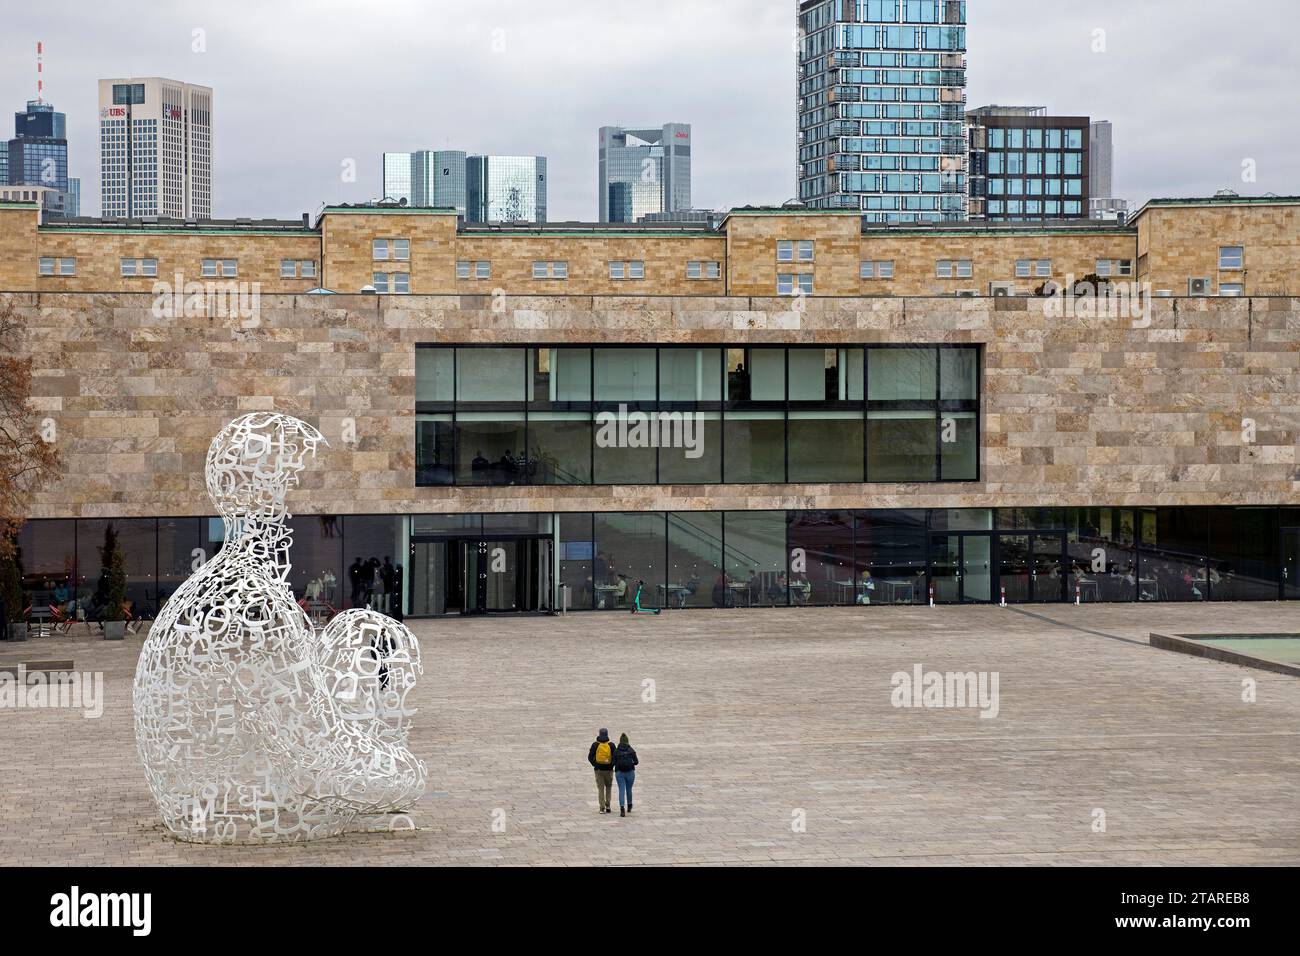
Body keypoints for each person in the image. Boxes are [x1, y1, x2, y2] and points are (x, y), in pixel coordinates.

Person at [588, 728, 616, 814]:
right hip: (609, 770)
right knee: (608, 787)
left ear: (599, 734)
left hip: (598, 770)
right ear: (607, 735)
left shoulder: (595, 745)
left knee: (600, 789)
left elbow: (589, 757)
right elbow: (615, 757)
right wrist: (611, 765)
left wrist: (595, 765)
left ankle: (601, 808)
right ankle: (608, 805)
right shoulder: (611, 745)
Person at [613, 733, 638, 816]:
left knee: (621, 790)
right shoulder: (631, 750)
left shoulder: (616, 751)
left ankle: (622, 808)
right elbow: (636, 762)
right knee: (629, 789)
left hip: (619, 772)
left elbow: (613, 762)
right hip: (630, 772)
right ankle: (629, 805)